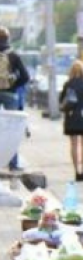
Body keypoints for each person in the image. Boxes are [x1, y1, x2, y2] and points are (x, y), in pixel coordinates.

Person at [0, 25, 31, 171]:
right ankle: (13, 163)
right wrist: (13, 85)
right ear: (7, 38)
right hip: (10, 94)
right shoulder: (13, 55)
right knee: (12, 129)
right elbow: (25, 77)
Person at [59, 60, 83, 182]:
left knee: (74, 144)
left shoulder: (67, 84)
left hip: (71, 116)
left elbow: (62, 100)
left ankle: (76, 171)